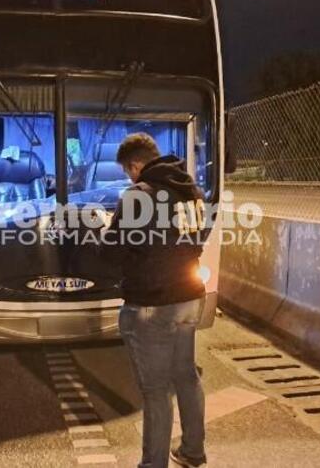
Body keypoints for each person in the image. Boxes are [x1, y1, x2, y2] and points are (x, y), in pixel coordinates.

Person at [104, 133, 208, 468]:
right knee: (186, 376)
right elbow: (197, 239)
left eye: (127, 171)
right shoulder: (191, 191)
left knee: (156, 390)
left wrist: (105, 229)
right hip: (189, 298)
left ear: (135, 165)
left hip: (151, 303)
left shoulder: (138, 196)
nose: (128, 177)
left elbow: (111, 251)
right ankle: (193, 451)